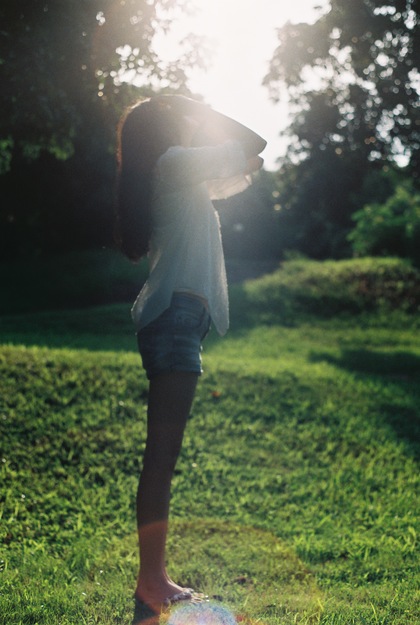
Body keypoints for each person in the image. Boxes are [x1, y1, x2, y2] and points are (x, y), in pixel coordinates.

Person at [115, 95, 265, 623]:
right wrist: (196, 103)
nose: (189, 122)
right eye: (180, 117)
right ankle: (151, 582)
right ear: (167, 126)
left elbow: (254, 157)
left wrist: (187, 110)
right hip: (176, 317)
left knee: (163, 456)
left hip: (181, 318)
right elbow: (255, 141)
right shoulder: (175, 164)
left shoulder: (182, 175)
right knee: (161, 457)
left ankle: (153, 577)